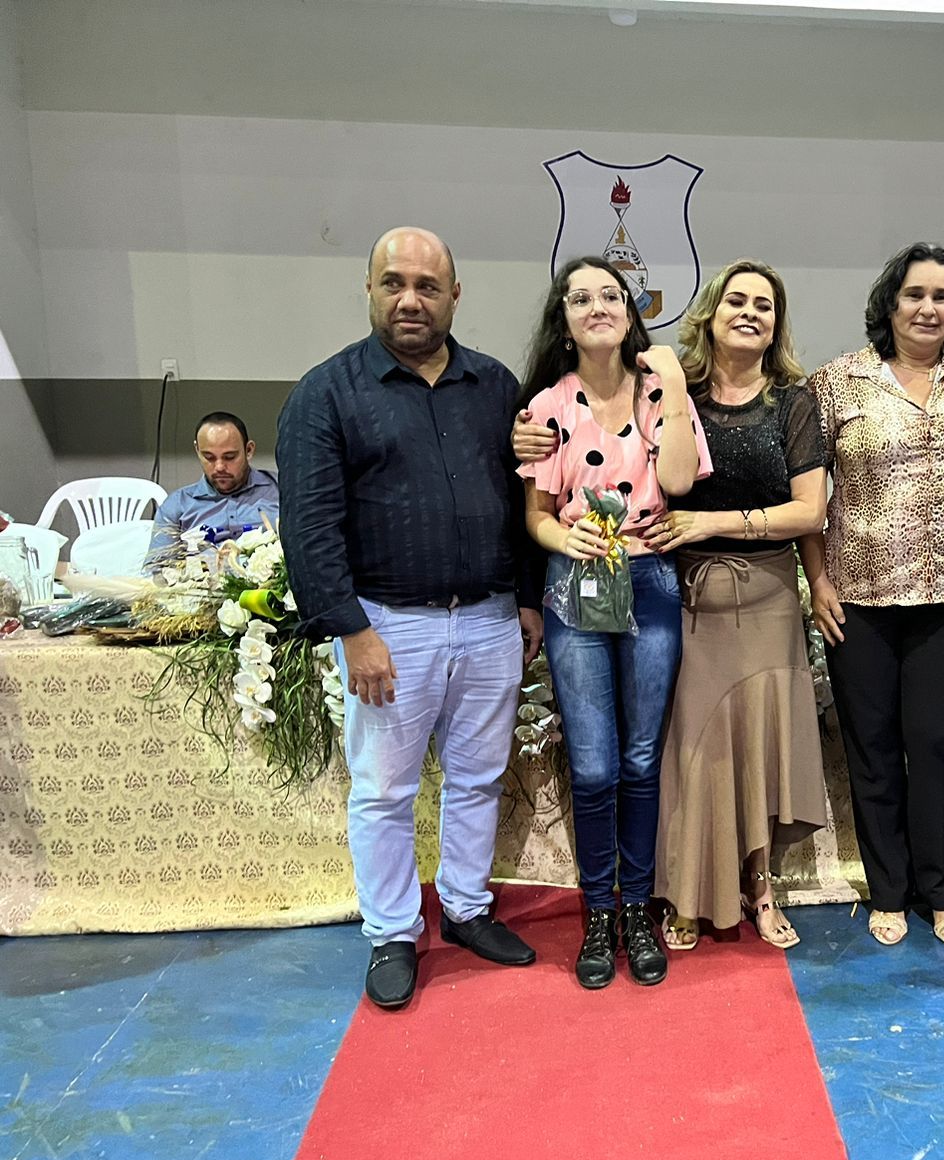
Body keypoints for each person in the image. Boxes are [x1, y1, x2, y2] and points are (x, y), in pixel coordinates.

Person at [277, 227, 543, 1010]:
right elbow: (310, 527)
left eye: (428, 286)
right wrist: (351, 629)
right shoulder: (326, 394)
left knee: (478, 777)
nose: (410, 300)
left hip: (490, 621)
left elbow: (527, 499)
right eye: (394, 283)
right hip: (388, 627)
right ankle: (393, 931)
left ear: (454, 296)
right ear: (369, 289)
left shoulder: (495, 386)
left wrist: (528, 598)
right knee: (384, 790)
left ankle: (465, 907)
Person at [518, 256, 712, 990]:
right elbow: (537, 517)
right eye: (581, 298)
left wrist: (677, 386)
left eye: (611, 295)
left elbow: (680, 482)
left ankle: (637, 909)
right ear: (564, 321)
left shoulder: (662, 390)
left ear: (631, 313)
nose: (597, 306)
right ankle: (598, 910)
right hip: (576, 582)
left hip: (649, 578)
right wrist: (558, 539)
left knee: (639, 759)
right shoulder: (547, 407)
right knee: (594, 763)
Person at [800, 243, 944, 949]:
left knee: (938, 744)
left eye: (942, 296)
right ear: (889, 303)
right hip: (858, 600)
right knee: (873, 747)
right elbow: (806, 496)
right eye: (914, 294)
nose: (927, 308)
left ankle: (942, 888)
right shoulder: (837, 382)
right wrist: (818, 581)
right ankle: (887, 888)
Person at [642, 260, 828, 951]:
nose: (750, 312)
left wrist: (711, 523)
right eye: (736, 301)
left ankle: (760, 886)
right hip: (689, 599)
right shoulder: (674, 393)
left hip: (770, 599)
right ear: (710, 314)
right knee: (696, 751)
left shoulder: (793, 402)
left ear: (776, 326)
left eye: (764, 305)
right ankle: (689, 891)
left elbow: (809, 510)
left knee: (759, 747)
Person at [147, 412, 280, 561]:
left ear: (248, 450)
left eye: (229, 457)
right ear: (197, 450)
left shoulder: (280, 490)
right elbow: (156, 568)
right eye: (209, 457)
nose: (219, 467)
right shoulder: (177, 505)